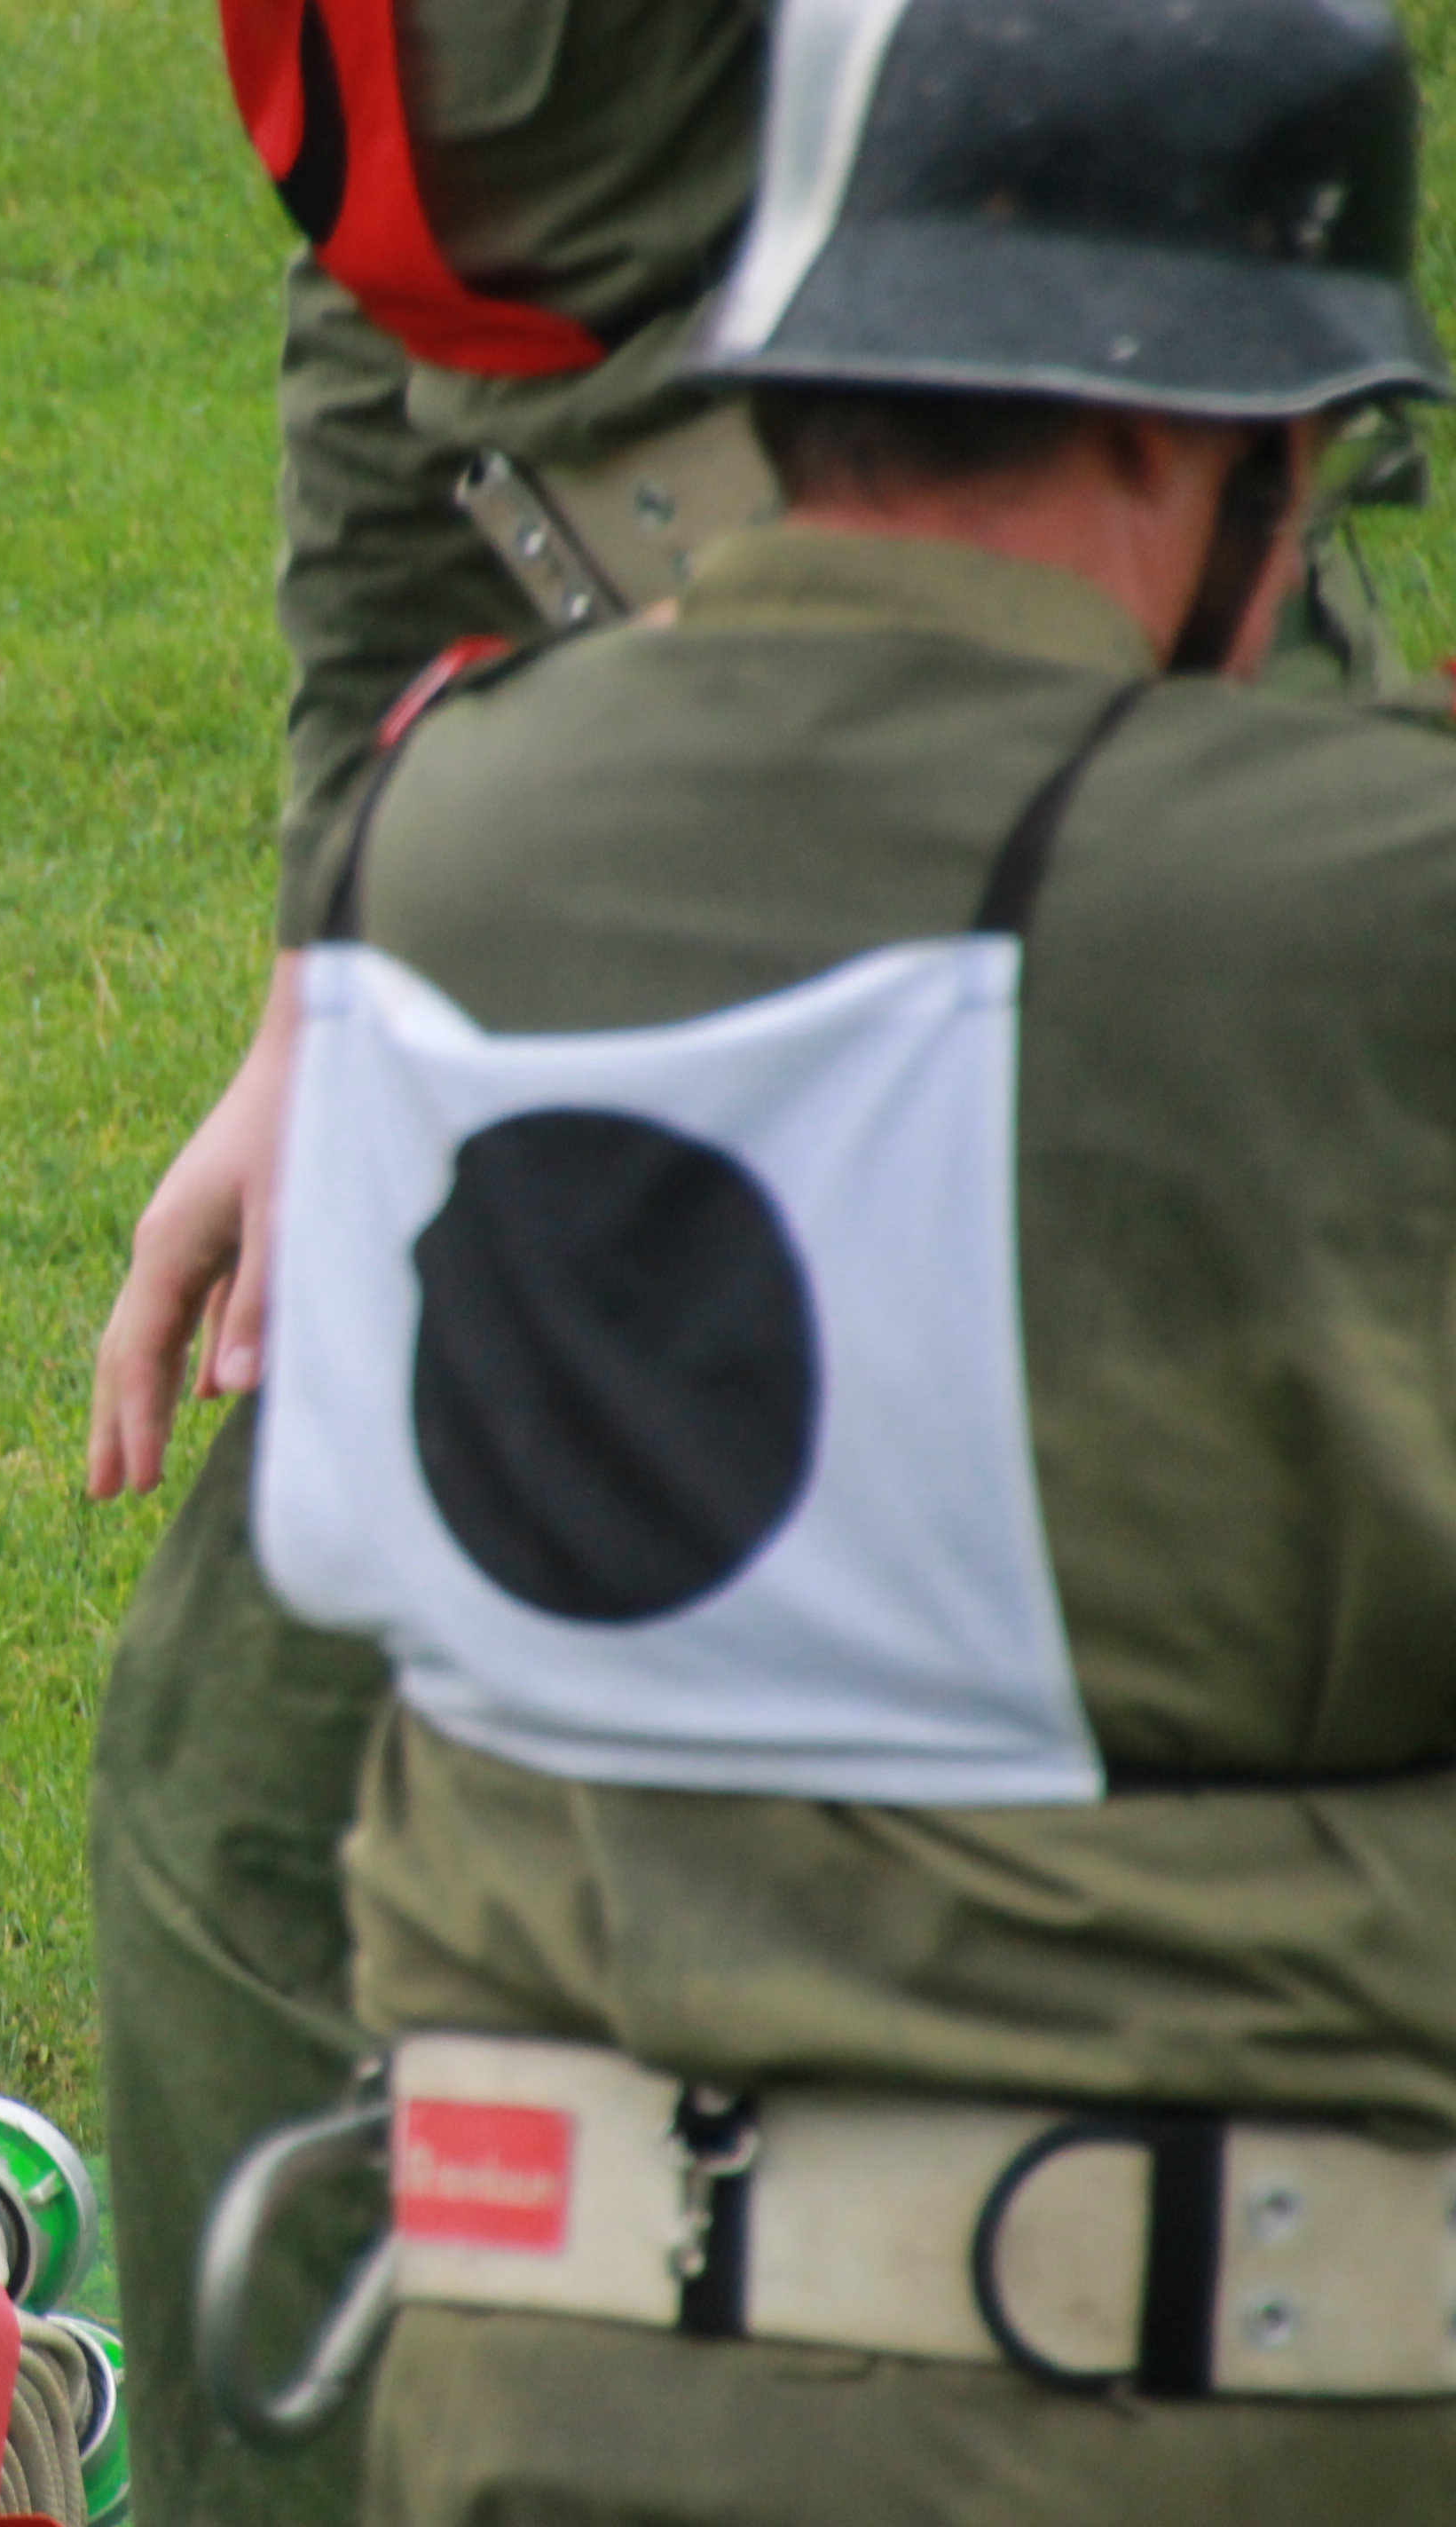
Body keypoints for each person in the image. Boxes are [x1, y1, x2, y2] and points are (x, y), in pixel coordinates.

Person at [83, 4, 1440, 2514]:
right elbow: (385, 297)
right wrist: (322, 991)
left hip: (998, 744)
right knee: (245, 1790)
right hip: (704, 785)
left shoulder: (480, 825)